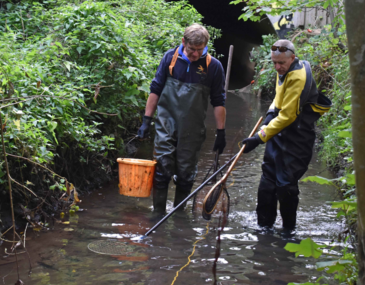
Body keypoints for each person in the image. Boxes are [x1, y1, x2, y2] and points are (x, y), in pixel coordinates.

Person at [136, 24, 227, 214]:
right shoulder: (170, 58)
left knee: (185, 174)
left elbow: (218, 101)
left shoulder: (213, 67)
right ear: (183, 42)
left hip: (192, 129)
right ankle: (158, 214)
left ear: (205, 46)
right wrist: (146, 120)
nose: (195, 54)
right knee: (162, 170)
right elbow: (155, 90)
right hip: (165, 123)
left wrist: (221, 132)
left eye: (199, 50)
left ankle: (178, 215)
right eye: (191, 49)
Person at [242, 39, 331, 231]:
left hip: (297, 139)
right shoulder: (282, 71)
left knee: (286, 187)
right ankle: (264, 227)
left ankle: (289, 232)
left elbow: (288, 116)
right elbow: (278, 98)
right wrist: (269, 116)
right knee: (267, 184)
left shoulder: (298, 77)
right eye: (274, 62)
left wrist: (259, 138)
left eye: (281, 63)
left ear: (293, 58)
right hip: (279, 135)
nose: (277, 67)